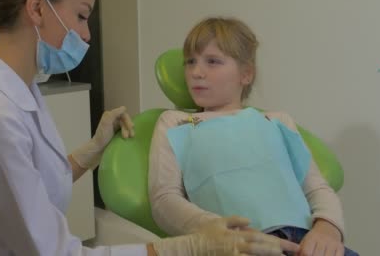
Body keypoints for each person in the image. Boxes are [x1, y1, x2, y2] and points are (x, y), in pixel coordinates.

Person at [0, 0, 296, 256]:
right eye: (82, 16)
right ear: (37, 7)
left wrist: (90, 151)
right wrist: (186, 246)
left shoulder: (21, 92)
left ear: (246, 74)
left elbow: (32, 187)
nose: (86, 36)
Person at [148, 17, 359, 256]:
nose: (196, 72)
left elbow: (316, 188)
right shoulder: (176, 123)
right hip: (236, 246)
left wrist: (328, 227)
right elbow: (164, 199)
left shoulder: (277, 121)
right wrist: (216, 230)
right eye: (190, 62)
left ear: (246, 74)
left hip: (305, 242)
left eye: (213, 62)